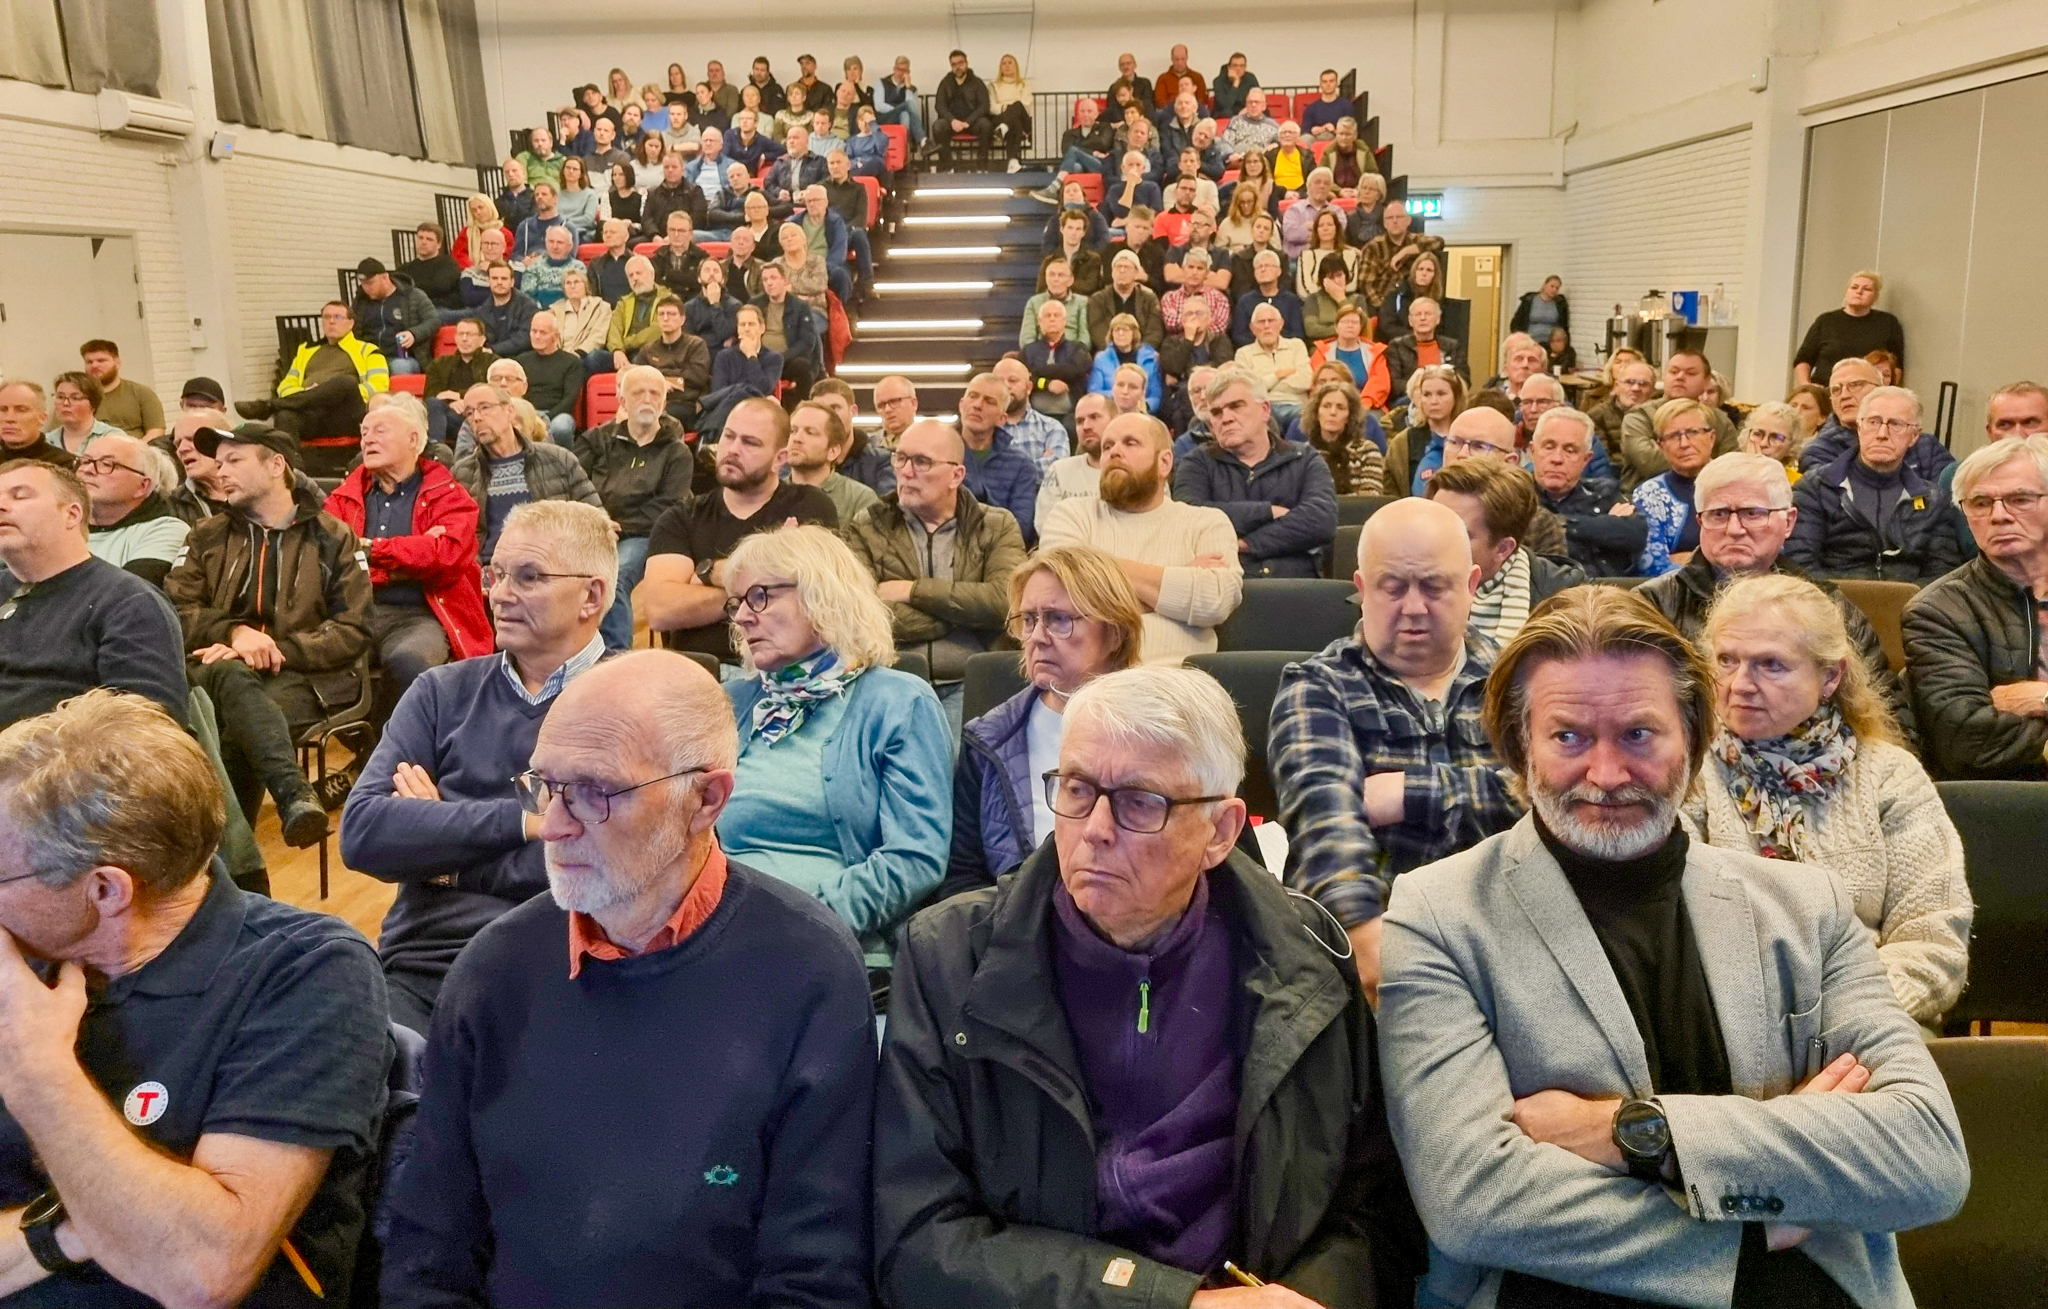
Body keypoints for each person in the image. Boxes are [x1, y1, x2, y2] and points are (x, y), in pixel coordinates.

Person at [1379, 585, 1969, 1307]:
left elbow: (1925, 1155)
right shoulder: (1439, 913)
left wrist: (1635, 1132)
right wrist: (1762, 1221)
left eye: (1638, 734)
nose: (1605, 773)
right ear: (1518, 742)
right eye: (1568, 736)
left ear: (1692, 737)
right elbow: (1474, 1200)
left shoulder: (1804, 906)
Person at [876, 661, 1426, 1306]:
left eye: (1142, 802)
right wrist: (1171, 1303)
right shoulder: (949, 957)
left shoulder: (1307, 956)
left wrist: (1309, 1298)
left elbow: (1375, 1212)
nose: (1096, 830)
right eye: (1077, 790)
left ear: (1220, 833)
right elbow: (917, 1241)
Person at [379, 642, 875, 1308]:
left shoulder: (809, 972)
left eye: (594, 793)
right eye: (546, 785)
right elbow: (429, 1249)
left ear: (706, 798)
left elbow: (815, 1274)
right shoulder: (493, 971)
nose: (551, 825)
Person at [0, 689, 390, 1306]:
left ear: (106, 890)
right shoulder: (20, 956)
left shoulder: (305, 970)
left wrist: (38, 1073)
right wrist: (78, 1227)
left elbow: (200, 1271)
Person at [340, 500, 614, 1035]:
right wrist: (524, 825)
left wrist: (444, 854)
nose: (501, 593)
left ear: (592, 595)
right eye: (496, 573)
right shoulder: (441, 692)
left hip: (575, 964)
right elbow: (363, 832)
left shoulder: (637, 701)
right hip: (425, 968)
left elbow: (609, 865)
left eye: (530, 577)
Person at [1688, 573, 1970, 1026]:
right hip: (1732, 1026)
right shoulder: (1686, 776)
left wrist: (1840, 1019)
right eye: (1726, 660)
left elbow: (1932, 942)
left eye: (1770, 664)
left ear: (1830, 675)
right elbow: (1680, 943)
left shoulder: (1889, 776)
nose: (1739, 684)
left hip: (1873, 1020)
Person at [1269, 496, 1519, 997]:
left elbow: (1551, 799)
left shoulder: (1517, 681)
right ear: (1362, 590)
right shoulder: (1318, 687)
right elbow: (1328, 833)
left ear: (1472, 585)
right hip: (1372, 949)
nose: (1413, 608)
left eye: (1434, 586)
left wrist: (1410, 793)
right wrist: (1366, 940)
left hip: (1510, 936)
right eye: (1392, 587)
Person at [718, 526, 950, 980]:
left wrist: (801, 922)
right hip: (722, 950)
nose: (743, 617)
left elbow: (915, 856)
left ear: (822, 596)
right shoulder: (729, 704)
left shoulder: (899, 701)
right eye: (739, 602)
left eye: (760, 596)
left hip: (842, 954)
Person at [166, 419, 363, 834]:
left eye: (234, 460)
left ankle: (228, 864)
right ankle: (291, 798)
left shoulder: (332, 536)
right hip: (214, 667)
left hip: (303, 674)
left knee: (238, 729)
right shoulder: (207, 534)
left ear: (276, 466)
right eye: (218, 463)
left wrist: (274, 648)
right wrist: (236, 634)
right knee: (228, 691)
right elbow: (175, 608)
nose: (221, 471)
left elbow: (353, 628)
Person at [946, 544, 1142, 890]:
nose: (1036, 637)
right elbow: (961, 879)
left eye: (1057, 619)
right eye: (1028, 620)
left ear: (1114, 632)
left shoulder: (1172, 734)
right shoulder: (987, 741)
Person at [846, 419, 1026, 726]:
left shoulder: (996, 524)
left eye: (922, 461)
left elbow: (1005, 603)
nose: (905, 470)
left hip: (972, 683)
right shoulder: (867, 525)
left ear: (956, 475)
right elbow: (860, 613)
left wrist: (912, 591)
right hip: (891, 679)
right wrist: (961, 616)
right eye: (900, 458)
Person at [642, 397, 837, 661]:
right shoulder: (681, 517)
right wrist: (765, 584)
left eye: (750, 442)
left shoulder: (810, 506)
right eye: (728, 436)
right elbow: (661, 610)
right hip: (700, 673)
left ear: (779, 459)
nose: (733, 449)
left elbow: (810, 600)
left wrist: (709, 572)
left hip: (784, 670)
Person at [323, 400, 492, 699]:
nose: (368, 439)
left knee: (409, 660)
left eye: (380, 430)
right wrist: (408, 562)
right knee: (307, 660)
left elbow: (446, 556)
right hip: (351, 614)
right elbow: (329, 560)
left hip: (421, 614)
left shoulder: (449, 495)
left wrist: (370, 550)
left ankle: (407, 745)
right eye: (364, 432)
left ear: (413, 440)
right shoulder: (341, 499)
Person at [1039, 413, 1241, 662]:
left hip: (1179, 684)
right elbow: (1064, 605)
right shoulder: (1071, 514)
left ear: (1164, 463)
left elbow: (1215, 601)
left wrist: (1096, 576)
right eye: (1107, 446)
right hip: (1088, 683)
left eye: (1130, 443)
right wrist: (1180, 576)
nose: (1114, 452)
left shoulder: (1206, 522)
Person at [1902, 434, 2048, 780]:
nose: (1998, 516)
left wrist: (2041, 697)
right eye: (1980, 502)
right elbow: (1968, 741)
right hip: (2014, 801)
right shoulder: (1938, 610)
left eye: (2019, 499)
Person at [0, 459, 187, 727]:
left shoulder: (130, 603)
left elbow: (149, 730)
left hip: (57, 762)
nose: (2, 505)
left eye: (20, 496)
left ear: (72, 515)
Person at [570, 364, 700, 651]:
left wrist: (621, 526)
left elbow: (671, 505)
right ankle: (571, 653)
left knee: (611, 580)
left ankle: (616, 658)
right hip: (594, 529)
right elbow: (572, 482)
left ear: (664, 402)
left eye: (655, 393)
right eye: (638, 392)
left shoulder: (676, 452)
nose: (647, 399)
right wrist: (597, 518)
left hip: (644, 535)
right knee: (562, 580)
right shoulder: (598, 440)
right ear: (622, 401)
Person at [1172, 365, 1336, 579]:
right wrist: (1268, 512)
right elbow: (1189, 518)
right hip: (1225, 585)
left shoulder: (1304, 458)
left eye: (1236, 406)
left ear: (1265, 410)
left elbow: (1320, 521)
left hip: (1295, 586)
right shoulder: (1196, 462)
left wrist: (1246, 543)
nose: (1226, 418)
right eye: (1216, 412)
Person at [1785, 385, 1960, 582]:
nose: (1882, 433)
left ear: (1914, 437)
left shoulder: (1933, 500)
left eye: (1896, 424)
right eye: (1873, 422)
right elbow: (1800, 565)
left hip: (1909, 607)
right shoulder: (1815, 488)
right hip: (1832, 606)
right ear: (1859, 428)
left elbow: (1941, 574)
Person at [1426, 457, 1587, 643]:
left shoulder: (1563, 603)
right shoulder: (1396, 583)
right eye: (1433, 525)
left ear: (1503, 549)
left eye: (1457, 533)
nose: (1435, 541)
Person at [449, 380, 603, 564]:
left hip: (551, 568)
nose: (476, 418)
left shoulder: (558, 459)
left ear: (510, 411)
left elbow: (596, 521)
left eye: (485, 407)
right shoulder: (463, 473)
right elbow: (459, 537)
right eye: (469, 412)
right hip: (491, 571)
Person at [1528, 406, 1644, 577]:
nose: (1557, 459)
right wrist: (1603, 523)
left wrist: (1563, 525)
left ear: (1586, 459)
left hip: (1607, 592)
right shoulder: (1516, 496)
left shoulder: (1603, 491)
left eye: (1570, 450)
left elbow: (1636, 533)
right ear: (1533, 451)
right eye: (1549, 447)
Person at [1943, 381, 2048, 559]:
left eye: (2030, 422)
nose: (2017, 433)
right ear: (1990, 431)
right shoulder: (1959, 477)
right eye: (2005, 425)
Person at [77, 432, 188, 586]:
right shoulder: (60, 525)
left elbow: (125, 596)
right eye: (85, 461)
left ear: (142, 486)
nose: (88, 470)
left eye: (107, 464)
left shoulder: (165, 530)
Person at [1617, 348, 1736, 489]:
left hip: (1710, 497)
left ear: (1706, 381)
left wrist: (1676, 455)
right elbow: (1650, 463)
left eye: (1690, 373)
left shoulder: (1720, 420)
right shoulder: (1639, 416)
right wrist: (1704, 458)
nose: (1680, 377)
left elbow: (1732, 469)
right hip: (1642, 498)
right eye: (1673, 372)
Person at [954, 372, 1044, 545]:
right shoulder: (937, 453)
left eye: (989, 401)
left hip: (997, 553)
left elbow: (1021, 529)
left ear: (1002, 419)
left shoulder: (1021, 465)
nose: (977, 405)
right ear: (961, 404)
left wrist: (977, 494)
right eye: (973, 396)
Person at [1794, 270, 1905, 388]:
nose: (1859, 292)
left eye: (1867, 289)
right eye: (1854, 287)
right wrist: (1806, 386)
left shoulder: (1888, 322)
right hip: (1826, 391)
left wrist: (1886, 392)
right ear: (1846, 292)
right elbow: (1803, 359)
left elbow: (1896, 366)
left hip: (1868, 393)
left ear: (1876, 297)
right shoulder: (1826, 321)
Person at [786, 399, 879, 524]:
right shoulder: (767, 494)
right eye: (793, 431)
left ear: (833, 451)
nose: (797, 438)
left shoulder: (859, 498)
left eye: (810, 432)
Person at [700, 300, 781, 434]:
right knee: (742, 391)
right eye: (742, 325)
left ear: (762, 328)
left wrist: (751, 356)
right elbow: (719, 392)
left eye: (751, 324)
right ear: (737, 329)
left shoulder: (774, 358)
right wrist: (743, 391)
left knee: (742, 391)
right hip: (728, 410)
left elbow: (764, 388)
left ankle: (708, 437)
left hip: (758, 410)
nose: (747, 328)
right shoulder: (724, 356)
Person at [632, 298, 711, 429]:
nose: (666, 318)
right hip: (652, 402)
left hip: (684, 403)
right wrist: (663, 382)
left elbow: (697, 377)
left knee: (661, 417)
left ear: (682, 319)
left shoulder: (696, 345)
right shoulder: (648, 350)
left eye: (671, 314)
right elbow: (639, 378)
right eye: (661, 314)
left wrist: (663, 380)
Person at [1388, 363, 1465, 496]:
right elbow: (1390, 491)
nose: (1433, 401)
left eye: (1441, 394)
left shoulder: (1469, 438)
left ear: (1456, 397)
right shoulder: (1403, 443)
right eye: (1427, 394)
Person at [352, 257, 439, 374]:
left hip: (402, 357)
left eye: (370, 283)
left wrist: (414, 334)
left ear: (385, 277)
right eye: (363, 284)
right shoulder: (361, 301)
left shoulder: (412, 295)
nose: (366, 288)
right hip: (369, 357)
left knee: (400, 367)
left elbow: (433, 321)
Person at [1036, 392, 1113, 525]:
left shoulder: (1136, 470)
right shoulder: (1059, 471)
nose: (1086, 426)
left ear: (1115, 420)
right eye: (1080, 421)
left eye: (1094, 417)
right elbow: (1045, 524)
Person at [1298, 379, 1386, 496]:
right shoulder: (1303, 455)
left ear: (1350, 416)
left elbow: (1371, 497)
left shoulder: (1367, 450)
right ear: (1316, 413)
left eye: (1340, 407)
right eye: (1326, 406)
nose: (1333, 412)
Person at [511, 309, 586, 446]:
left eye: (543, 332)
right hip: (528, 412)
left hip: (558, 413)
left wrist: (545, 417)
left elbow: (570, 398)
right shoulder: (521, 360)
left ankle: (565, 464)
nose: (537, 336)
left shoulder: (571, 362)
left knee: (561, 428)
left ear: (556, 336)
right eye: (534, 331)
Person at [1232, 303, 1312, 428]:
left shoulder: (1297, 345)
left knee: (1304, 418)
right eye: (1261, 322)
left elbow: (1305, 381)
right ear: (1252, 328)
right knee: (1264, 418)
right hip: (1264, 408)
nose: (1267, 326)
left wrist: (1264, 383)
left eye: (1271, 321)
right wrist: (1278, 375)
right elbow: (1248, 390)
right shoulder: (1243, 354)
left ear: (1281, 324)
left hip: (1296, 405)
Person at [1357, 200, 1445, 305]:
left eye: (1399, 217)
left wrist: (1405, 252)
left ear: (1408, 220)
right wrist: (1383, 307)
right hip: (1383, 302)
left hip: (1414, 303)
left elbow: (1439, 242)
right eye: (1390, 218)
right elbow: (1365, 283)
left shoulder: (1416, 240)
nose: (1394, 221)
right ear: (1385, 224)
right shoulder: (1373, 247)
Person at [75, 339, 164, 441]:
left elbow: (156, 431)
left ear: (117, 363)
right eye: (89, 362)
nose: (94, 365)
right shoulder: (73, 397)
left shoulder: (141, 393)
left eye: (101, 360)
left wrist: (132, 452)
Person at [1383, 297, 1467, 401]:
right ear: (1410, 321)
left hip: (1446, 398)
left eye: (1428, 314)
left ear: (1438, 319)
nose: (1423, 318)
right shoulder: (1397, 346)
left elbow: (1464, 379)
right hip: (1409, 399)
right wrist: (1424, 390)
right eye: (1418, 314)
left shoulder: (1453, 346)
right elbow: (1394, 384)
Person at [1227, 249, 1303, 348]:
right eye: (1259, 267)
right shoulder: (1245, 301)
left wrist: (1275, 343)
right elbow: (1238, 335)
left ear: (1279, 271)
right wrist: (1263, 343)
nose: (1263, 269)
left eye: (1267, 266)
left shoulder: (1291, 300)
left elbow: (1297, 333)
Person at [1588, 358, 1656, 464]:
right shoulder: (1597, 416)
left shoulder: (1660, 415)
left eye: (1643, 384)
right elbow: (1603, 461)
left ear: (1652, 391)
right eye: (1629, 382)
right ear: (1617, 385)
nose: (1636, 388)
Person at [0, 382, 73, 471]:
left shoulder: (62, 464)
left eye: (21, 410)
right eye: (2, 410)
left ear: (42, 418)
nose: (9, 418)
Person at [1218, 86, 1280, 164]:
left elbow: (1285, 143)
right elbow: (1225, 142)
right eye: (1250, 102)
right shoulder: (1236, 121)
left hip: (1260, 163)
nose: (1253, 105)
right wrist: (1230, 155)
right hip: (1238, 161)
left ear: (1264, 106)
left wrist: (1276, 145)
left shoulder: (1273, 125)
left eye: (1257, 102)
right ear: (1246, 105)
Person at [1508, 273, 1569, 342]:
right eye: (1552, 286)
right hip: (1530, 341)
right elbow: (1517, 321)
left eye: (1557, 288)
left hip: (1550, 343)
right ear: (1544, 285)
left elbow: (1564, 326)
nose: (1554, 290)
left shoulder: (1560, 304)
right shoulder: (1529, 300)